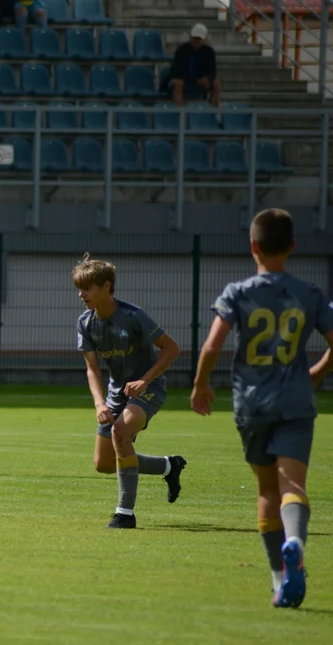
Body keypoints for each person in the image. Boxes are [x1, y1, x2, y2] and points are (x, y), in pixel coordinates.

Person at [191, 209, 333, 609]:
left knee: (266, 490)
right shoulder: (310, 293)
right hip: (295, 403)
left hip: (251, 405)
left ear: (252, 246)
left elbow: (213, 345)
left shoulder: (238, 292)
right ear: (292, 246)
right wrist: (315, 373)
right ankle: (295, 543)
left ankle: (279, 579)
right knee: (293, 487)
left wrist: (201, 384)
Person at [73, 254, 187, 529]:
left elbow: (171, 349)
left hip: (149, 388)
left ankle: (125, 513)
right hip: (116, 393)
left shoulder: (134, 316)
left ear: (107, 286)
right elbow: (92, 369)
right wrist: (100, 404)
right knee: (103, 463)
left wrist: (145, 380)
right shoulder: (86, 323)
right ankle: (168, 466)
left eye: (87, 288)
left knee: (120, 433)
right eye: (79, 288)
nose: (81, 294)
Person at [168, 23, 221, 107]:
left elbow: (212, 71)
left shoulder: (209, 52)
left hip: (200, 80)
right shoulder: (182, 50)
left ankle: (212, 114)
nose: (196, 41)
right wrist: (196, 80)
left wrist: (208, 79)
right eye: (194, 38)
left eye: (199, 39)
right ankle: (179, 114)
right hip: (184, 79)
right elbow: (176, 72)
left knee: (216, 84)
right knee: (178, 83)